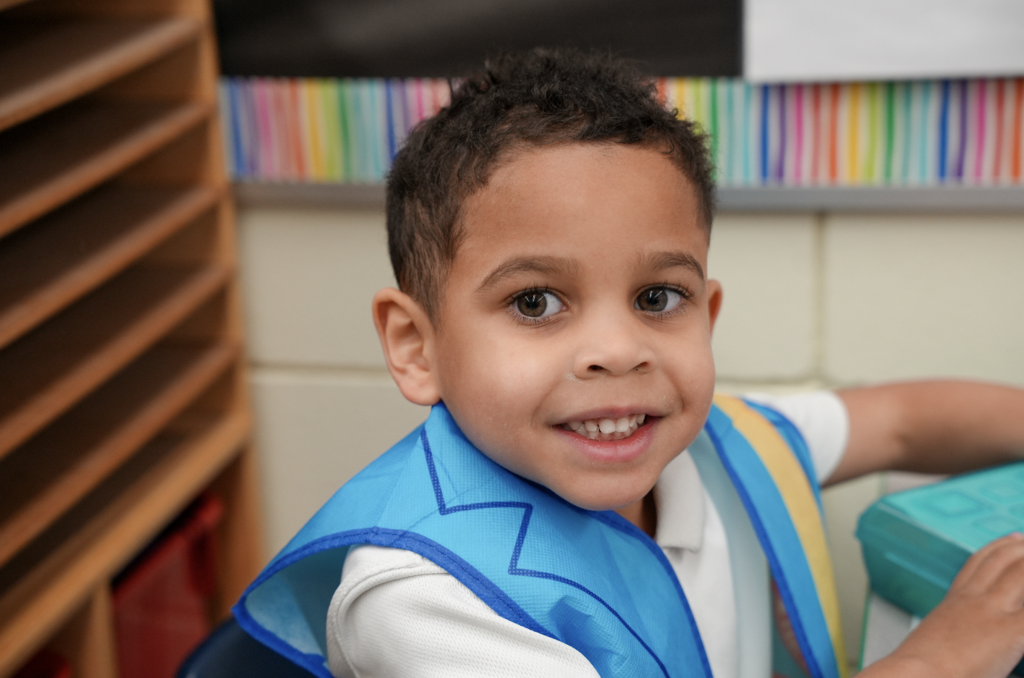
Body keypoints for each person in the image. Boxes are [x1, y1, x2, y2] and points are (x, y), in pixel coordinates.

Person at [234, 49, 1024, 678]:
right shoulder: (422, 603)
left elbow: (902, 424)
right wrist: (941, 658)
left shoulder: (723, 448)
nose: (618, 351)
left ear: (707, 316)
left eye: (656, 298)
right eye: (536, 302)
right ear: (417, 348)